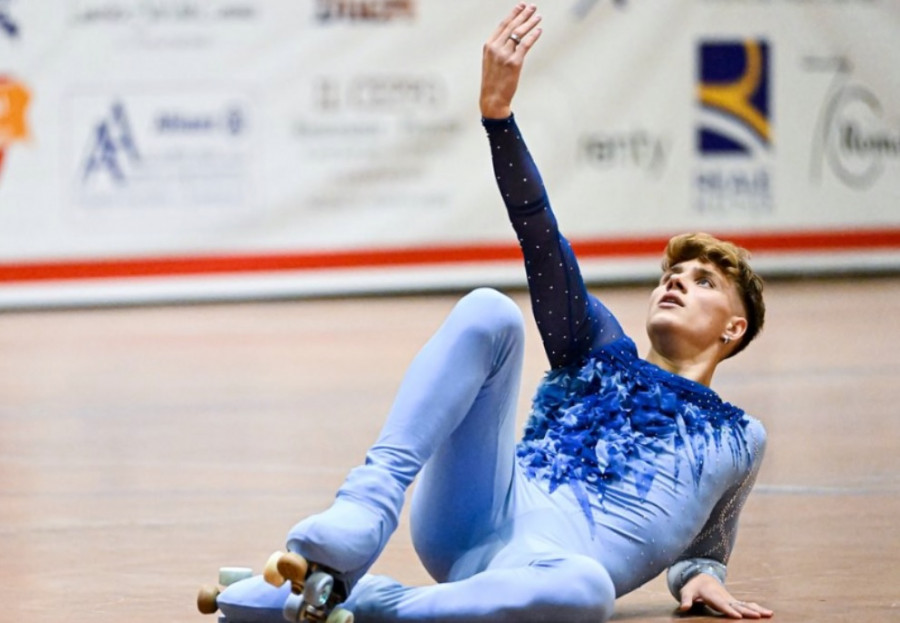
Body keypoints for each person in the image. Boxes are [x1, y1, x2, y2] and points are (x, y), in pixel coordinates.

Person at [214, 4, 774, 621]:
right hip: (483, 509)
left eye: (703, 281)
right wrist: (498, 120)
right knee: (490, 311)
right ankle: (363, 511)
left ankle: (357, 602)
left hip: (547, 572)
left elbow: (710, 532)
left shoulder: (742, 438)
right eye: (671, 275)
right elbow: (541, 238)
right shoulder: (599, 349)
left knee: (587, 592)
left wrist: (700, 575)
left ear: (734, 327)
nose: (676, 283)